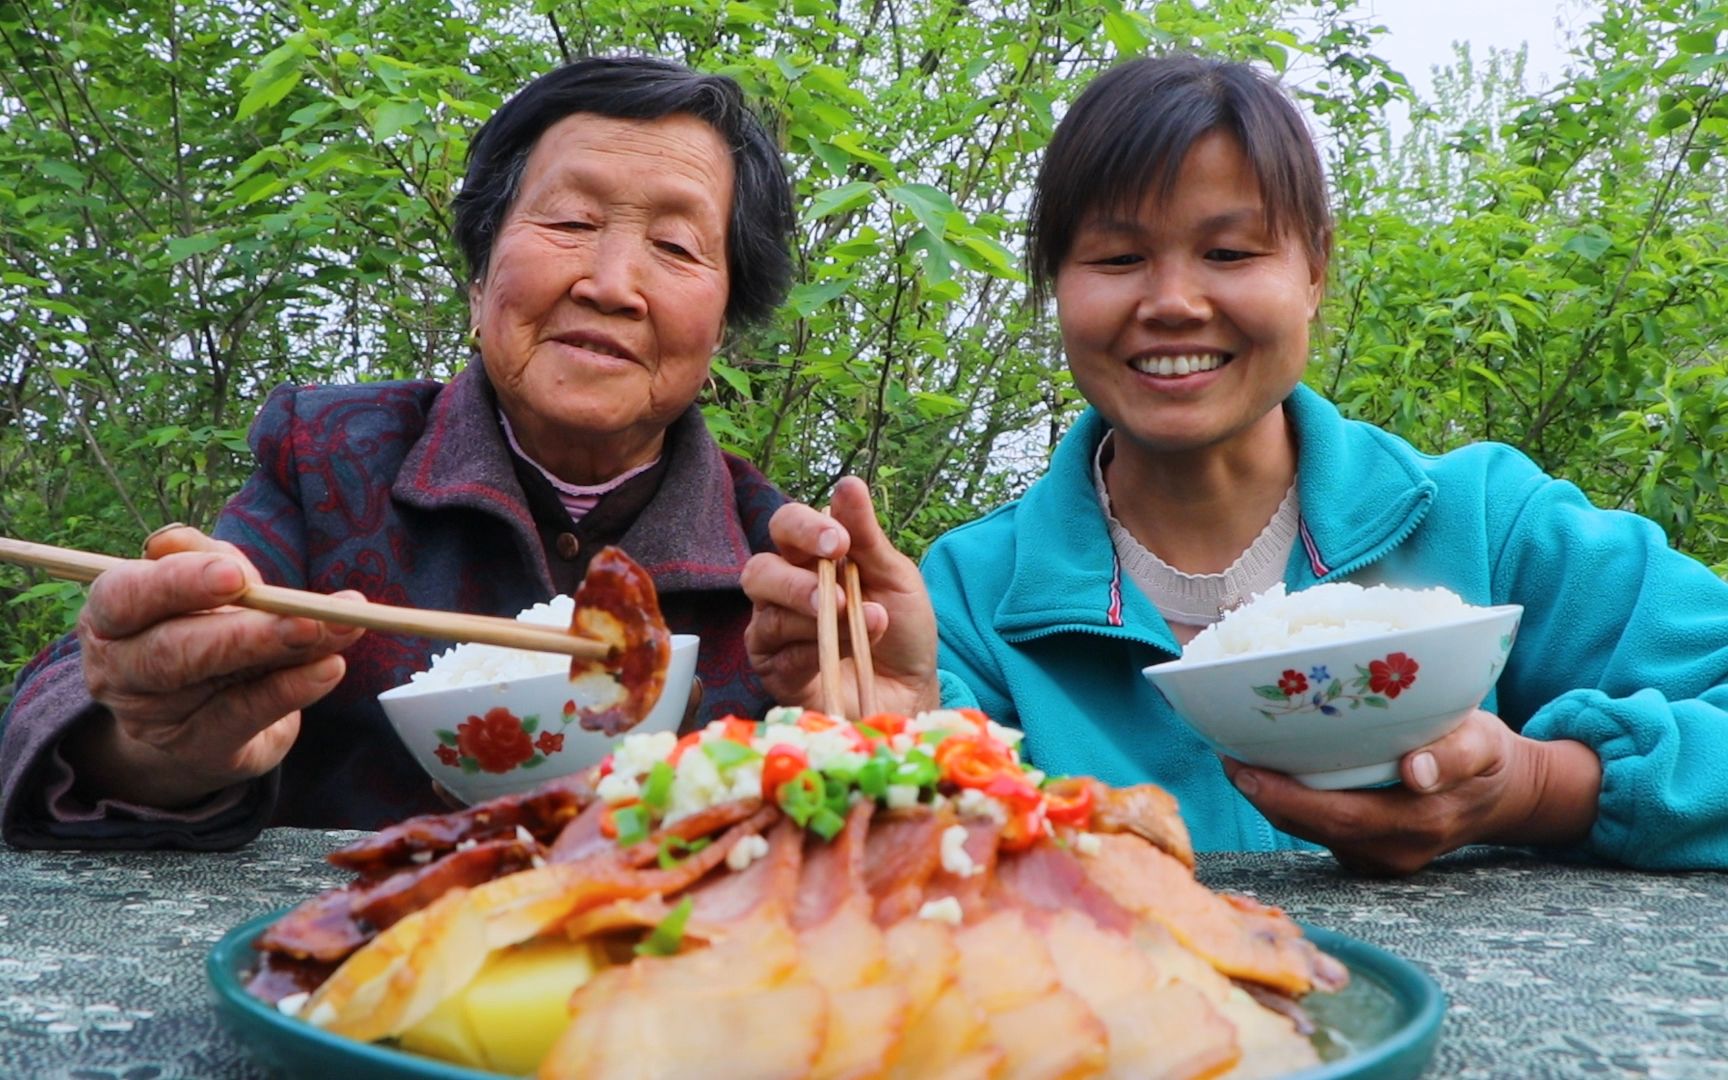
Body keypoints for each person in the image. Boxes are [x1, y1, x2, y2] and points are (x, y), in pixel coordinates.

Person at [742, 53, 1728, 875]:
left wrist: (1539, 788)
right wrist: (895, 739)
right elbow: (916, 892)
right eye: (1118, 259)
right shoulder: (966, 600)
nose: (1171, 301)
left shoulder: (1488, 525)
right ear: (1056, 288)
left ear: (1314, 270)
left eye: (1230, 252)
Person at [0, 55, 797, 849]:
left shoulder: (781, 564)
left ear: (722, 323)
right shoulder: (329, 460)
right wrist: (149, 743)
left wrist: (904, 725)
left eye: (676, 245)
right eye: (570, 222)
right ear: (480, 279)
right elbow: (66, 705)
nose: (612, 283)